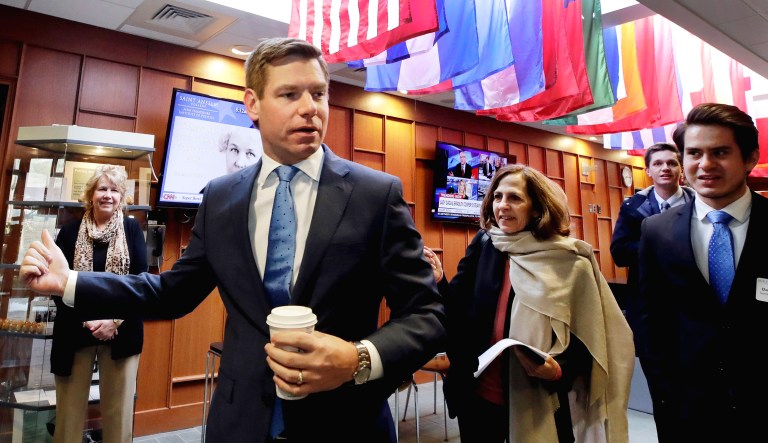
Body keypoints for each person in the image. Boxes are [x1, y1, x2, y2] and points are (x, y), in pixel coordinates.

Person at [20, 37, 446, 443]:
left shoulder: (376, 194)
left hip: (347, 422)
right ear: (253, 104)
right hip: (240, 422)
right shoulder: (222, 197)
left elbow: (426, 314)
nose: (309, 109)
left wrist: (358, 359)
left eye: (318, 94)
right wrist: (70, 282)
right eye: (289, 94)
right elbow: (172, 292)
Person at [425, 164, 634, 442]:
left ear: (537, 208)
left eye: (514, 198)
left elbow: (591, 339)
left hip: (542, 400)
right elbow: (458, 312)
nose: (502, 206)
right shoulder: (486, 244)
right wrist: (439, 281)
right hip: (477, 398)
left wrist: (559, 369)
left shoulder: (570, 261)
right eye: (497, 197)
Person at [638, 103, 767, 441]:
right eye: (694, 153)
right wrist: (664, 395)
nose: (705, 164)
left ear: (750, 158)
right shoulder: (656, 231)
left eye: (720, 152)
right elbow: (651, 322)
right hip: (687, 412)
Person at [51, 165, 147, 443]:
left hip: (121, 332)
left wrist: (114, 321)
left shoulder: (131, 229)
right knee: (68, 416)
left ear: (122, 197)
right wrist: (88, 319)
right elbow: (57, 284)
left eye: (114, 190)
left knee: (118, 417)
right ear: (91, 194)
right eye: (102, 189)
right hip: (74, 330)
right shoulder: (69, 231)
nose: (108, 195)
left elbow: (140, 283)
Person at [609, 143, 693, 440]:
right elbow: (619, 252)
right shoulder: (634, 207)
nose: (666, 168)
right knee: (663, 391)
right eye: (658, 163)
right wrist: (661, 244)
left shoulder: (700, 204)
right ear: (648, 170)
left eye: (672, 162)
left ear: (681, 168)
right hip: (650, 311)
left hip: (694, 310)